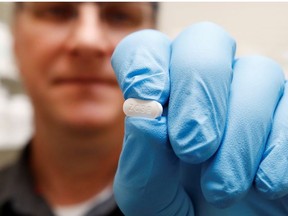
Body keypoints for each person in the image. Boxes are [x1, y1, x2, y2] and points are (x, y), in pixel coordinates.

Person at [0, 2, 287, 216]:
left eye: (119, 15)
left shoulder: (200, 187)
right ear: (14, 40)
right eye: (57, 11)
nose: (88, 42)